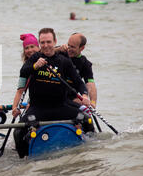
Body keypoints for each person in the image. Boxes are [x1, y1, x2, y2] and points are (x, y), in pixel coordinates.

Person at [12, 28, 93, 158]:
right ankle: (24, 160)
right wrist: (35, 66)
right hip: (38, 109)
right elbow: (23, 72)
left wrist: (84, 95)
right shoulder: (34, 58)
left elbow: (79, 82)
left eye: (48, 42)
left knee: (87, 119)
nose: (46, 45)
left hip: (60, 107)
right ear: (39, 44)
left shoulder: (64, 61)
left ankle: (91, 150)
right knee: (17, 132)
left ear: (55, 41)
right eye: (42, 42)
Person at [56, 33, 97, 108]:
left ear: (82, 48)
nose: (69, 49)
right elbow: (43, 53)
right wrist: (58, 50)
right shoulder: (59, 52)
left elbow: (90, 84)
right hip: (54, 93)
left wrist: (92, 102)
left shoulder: (85, 63)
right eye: (68, 45)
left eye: (72, 47)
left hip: (72, 97)